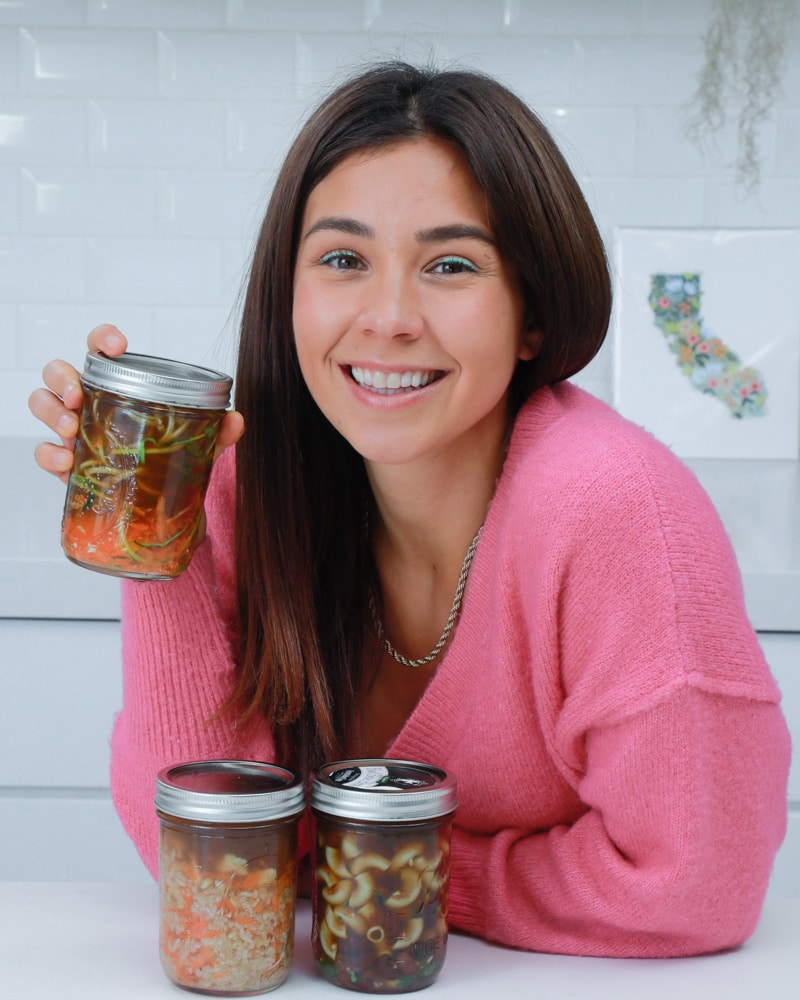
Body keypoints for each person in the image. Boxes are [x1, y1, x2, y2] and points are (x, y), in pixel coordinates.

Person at [30, 61, 790, 959]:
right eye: (343, 260)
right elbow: (208, 850)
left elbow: (696, 883)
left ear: (531, 315)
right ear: (290, 294)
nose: (388, 316)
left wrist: (391, 874)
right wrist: (156, 519)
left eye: (451, 264)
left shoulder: (615, 509)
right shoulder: (254, 482)